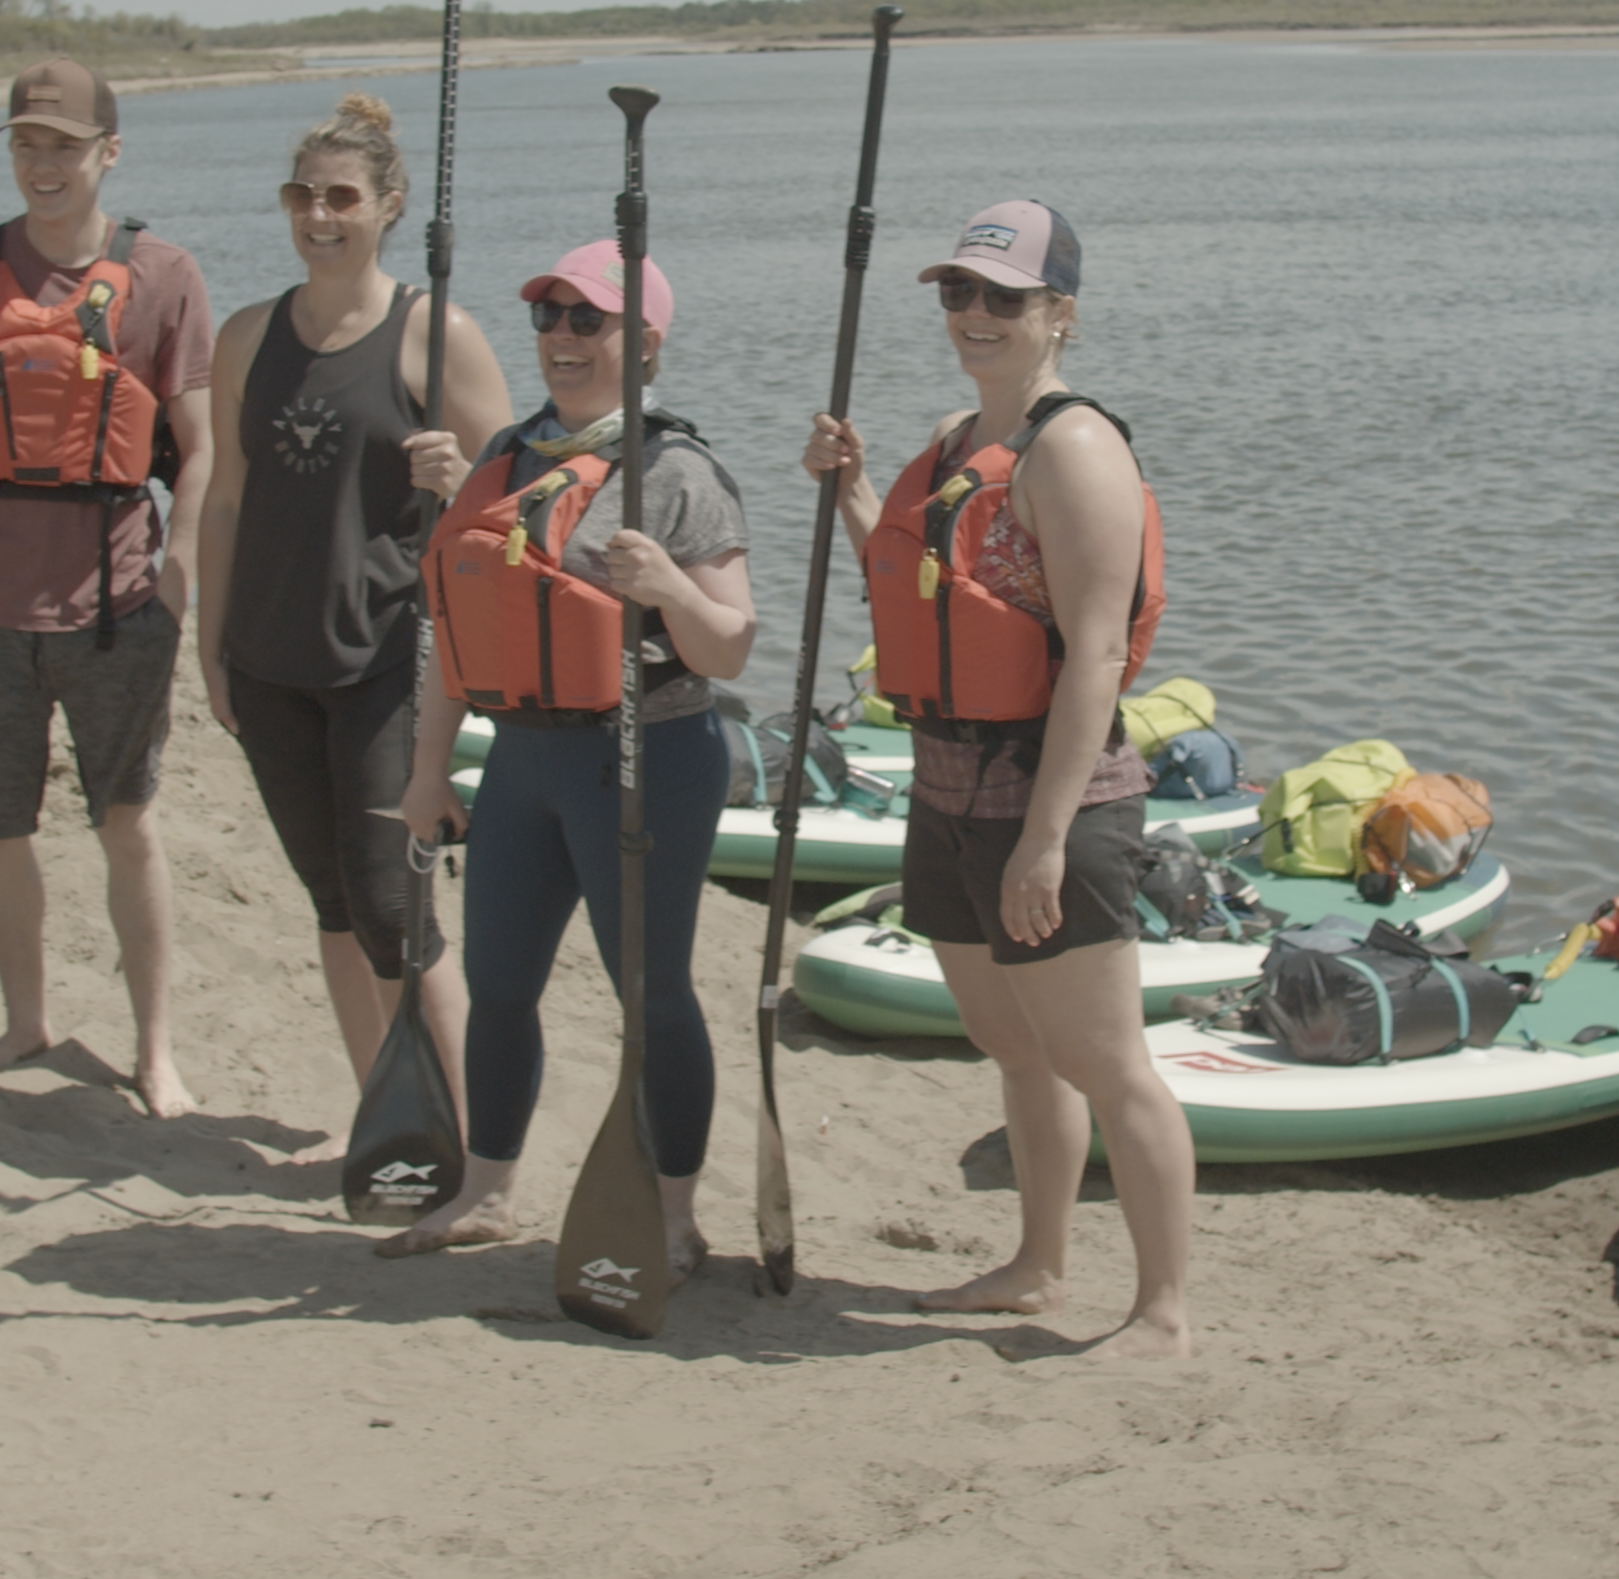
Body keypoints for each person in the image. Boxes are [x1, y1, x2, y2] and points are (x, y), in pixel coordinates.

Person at [801, 199, 1191, 1358]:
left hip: (1047, 793)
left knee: (1106, 1063)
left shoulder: (1074, 446)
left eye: (1001, 299)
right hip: (945, 784)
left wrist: (1048, 837)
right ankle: (1036, 1265)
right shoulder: (957, 436)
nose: (973, 315)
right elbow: (926, 588)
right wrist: (855, 491)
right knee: (1013, 1046)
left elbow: (1096, 653)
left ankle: (1162, 1311)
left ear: (1059, 314)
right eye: (956, 293)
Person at [379, 244, 754, 1275]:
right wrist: (425, 773)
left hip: (651, 757)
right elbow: (458, 632)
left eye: (587, 321)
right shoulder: (506, 456)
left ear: (646, 346)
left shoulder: (677, 473)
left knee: (653, 993)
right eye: (548, 316)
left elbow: (730, 643)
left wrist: (672, 589)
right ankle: (488, 1191)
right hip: (522, 763)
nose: (560, 338)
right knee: (499, 983)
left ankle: (675, 1216)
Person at [0, 58, 215, 1118]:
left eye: (64, 145)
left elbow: (199, 449)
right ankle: (27, 1020)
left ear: (108, 152)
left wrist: (182, 569)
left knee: (128, 822)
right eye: (27, 144)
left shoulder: (164, 275)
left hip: (116, 598)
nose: (44, 164)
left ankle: (154, 1048)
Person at [195, 94, 512, 1160]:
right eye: (302, 196)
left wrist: (459, 478)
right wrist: (210, 648)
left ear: (389, 206)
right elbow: (227, 497)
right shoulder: (246, 336)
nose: (318, 217)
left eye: (341, 198)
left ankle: (465, 1143)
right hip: (269, 660)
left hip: (386, 661)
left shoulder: (436, 333)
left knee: (398, 914)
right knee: (332, 905)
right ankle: (386, 1118)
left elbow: (531, 501)